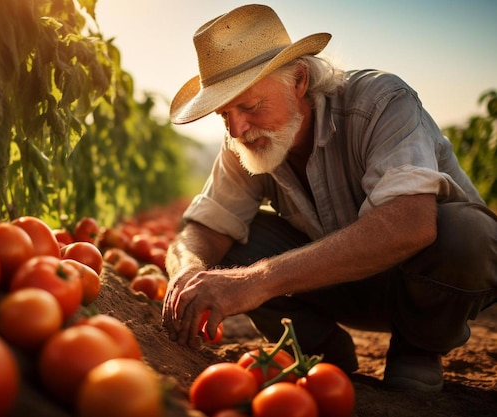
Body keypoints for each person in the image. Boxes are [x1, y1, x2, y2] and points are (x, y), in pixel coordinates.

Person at [161, 4, 497, 393]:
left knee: (468, 232)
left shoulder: (380, 103)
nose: (237, 129)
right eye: (224, 114)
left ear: (299, 80)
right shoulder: (245, 141)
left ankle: (418, 348)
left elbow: (410, 223)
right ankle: (321, 351)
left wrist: (256, 282)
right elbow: (202, 225)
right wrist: (186, 270)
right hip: (336, 286)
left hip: (420, 284)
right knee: (235, 240)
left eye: (250, 106)